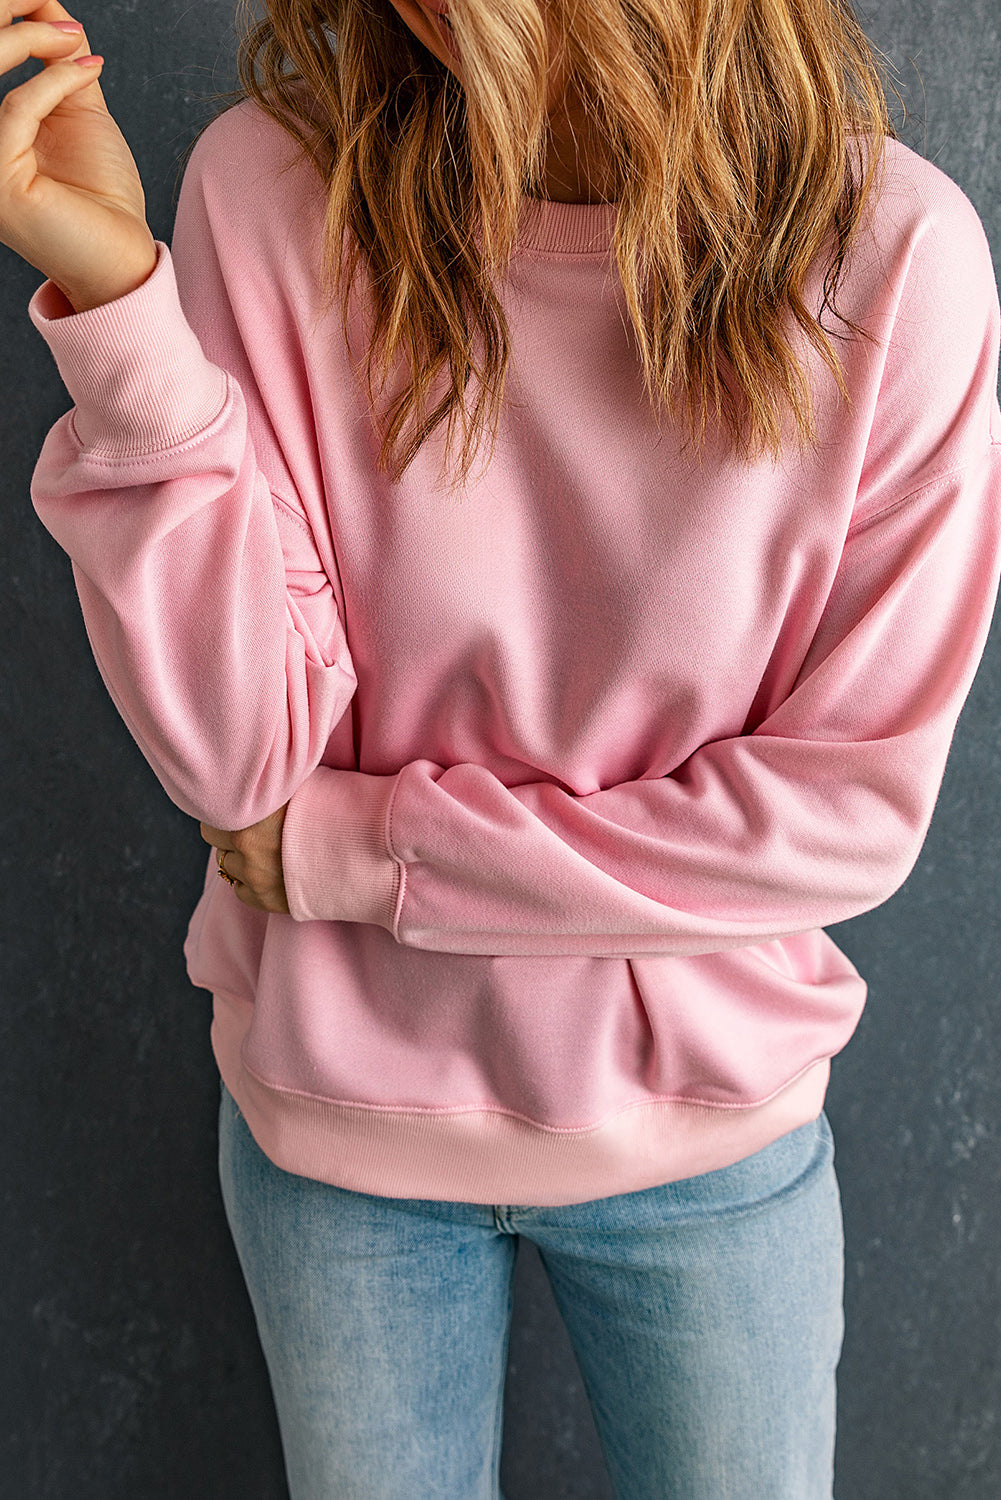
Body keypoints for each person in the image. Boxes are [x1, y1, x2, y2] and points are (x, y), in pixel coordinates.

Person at [4, 0, 1001, 1495]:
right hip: (340, 1146)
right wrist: (125, 309)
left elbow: (841, 819)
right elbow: (236, 765)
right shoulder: (261, 196)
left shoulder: (896, 259)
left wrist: (360, 852)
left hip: (703, 1147)